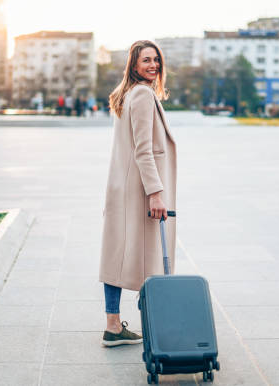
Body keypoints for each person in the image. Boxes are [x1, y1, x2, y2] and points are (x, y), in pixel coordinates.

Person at [99, 40, 176, 347]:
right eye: (146, 60)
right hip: (138, 191)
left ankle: (113, 325)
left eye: (156, 59)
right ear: (134, 65)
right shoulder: (143, 94)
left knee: (116, 255)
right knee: (148, 258)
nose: (153, 65)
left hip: (123, 186)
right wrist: (155, 193)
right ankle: (155, 324)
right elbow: (144, 150)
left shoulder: (128, 94)